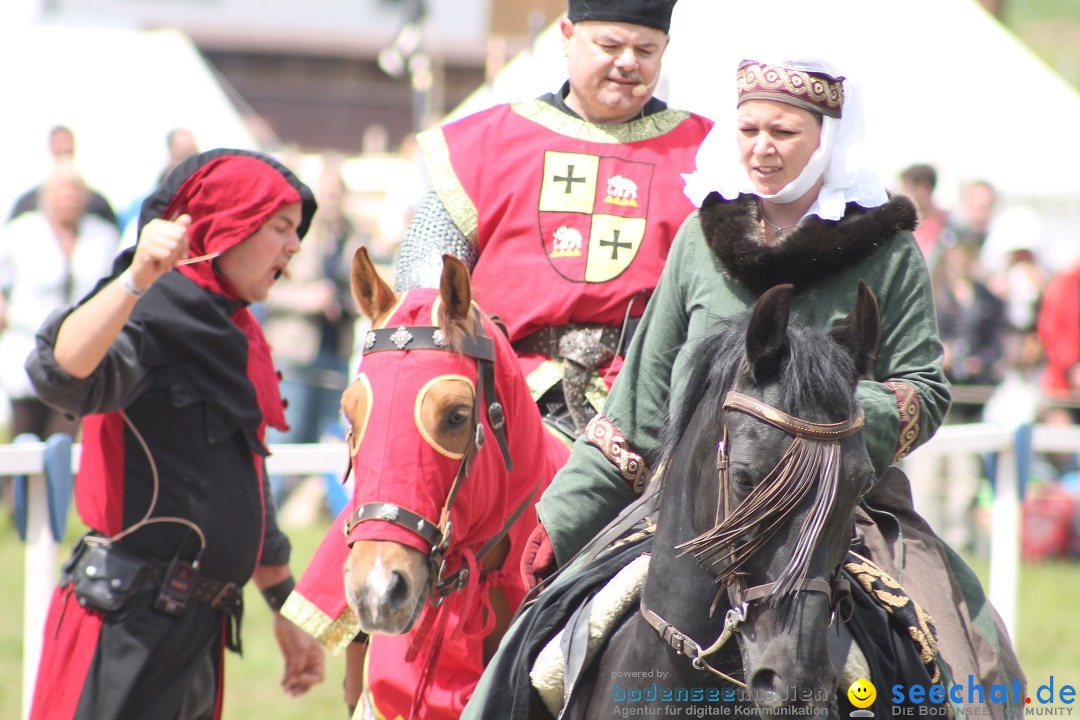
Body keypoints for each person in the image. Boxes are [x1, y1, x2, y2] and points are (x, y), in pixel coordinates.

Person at [521, 57, 1022, 716]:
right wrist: (558, 518)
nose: (762, 147)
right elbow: (637, 408)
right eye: (749, 128)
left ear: (827, 138)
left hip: (845, 506)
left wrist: (821, 418)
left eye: (783, 132)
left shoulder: (890, 249)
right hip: (692, 501)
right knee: (533, 654)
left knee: (968, 666)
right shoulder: (701, 242)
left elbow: (923, 390)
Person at [24, 149, 325, 719]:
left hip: (194, 628)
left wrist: (285, 607)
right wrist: (136, 278)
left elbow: (245, 476)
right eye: (279, 227)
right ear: (223, 226)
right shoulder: (150, 307)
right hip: (126, 622)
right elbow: (62, 374)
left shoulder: (233, 330)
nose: (294, 246)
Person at [392, 0, 713, 436]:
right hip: (502, 397)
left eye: (645, 49)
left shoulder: (707, 155)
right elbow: (427, 290)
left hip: (654, 401)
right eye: (610, 45)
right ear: (566, 37)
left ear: (665, 48)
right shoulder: (491, 143)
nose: (627, 62)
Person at [0, 160, 119, 441]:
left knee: (63, 437)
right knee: (24, 438)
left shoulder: (102, 236)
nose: (69, 198)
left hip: (79, 350)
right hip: (27, 344)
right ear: (47, 195)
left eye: (74, 191)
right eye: (62, 191)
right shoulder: (20, 232)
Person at [8, 125, 118, 228]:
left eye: (67, 148)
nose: (69, 200)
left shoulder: (98, 204)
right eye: (59, 148)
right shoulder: (27, 204)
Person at [900, 162, 949, 259]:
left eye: (906, 188)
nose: (901, 194)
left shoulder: (946, 226)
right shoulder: (903, 226)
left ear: (924, 189)